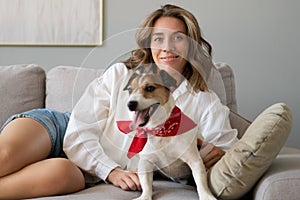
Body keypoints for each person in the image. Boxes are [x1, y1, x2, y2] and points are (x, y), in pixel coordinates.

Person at [0, 4, 238, 199]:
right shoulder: (121, 74)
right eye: (158, 39)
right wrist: (111, 171)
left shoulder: (205, 101)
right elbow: (79, 130)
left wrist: (214, 154)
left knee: (59, 174)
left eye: (178, 38)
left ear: (191, 46)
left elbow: (228, 150)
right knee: (4, 157)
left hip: (80, 170)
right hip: (60, 129)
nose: (167, 47)